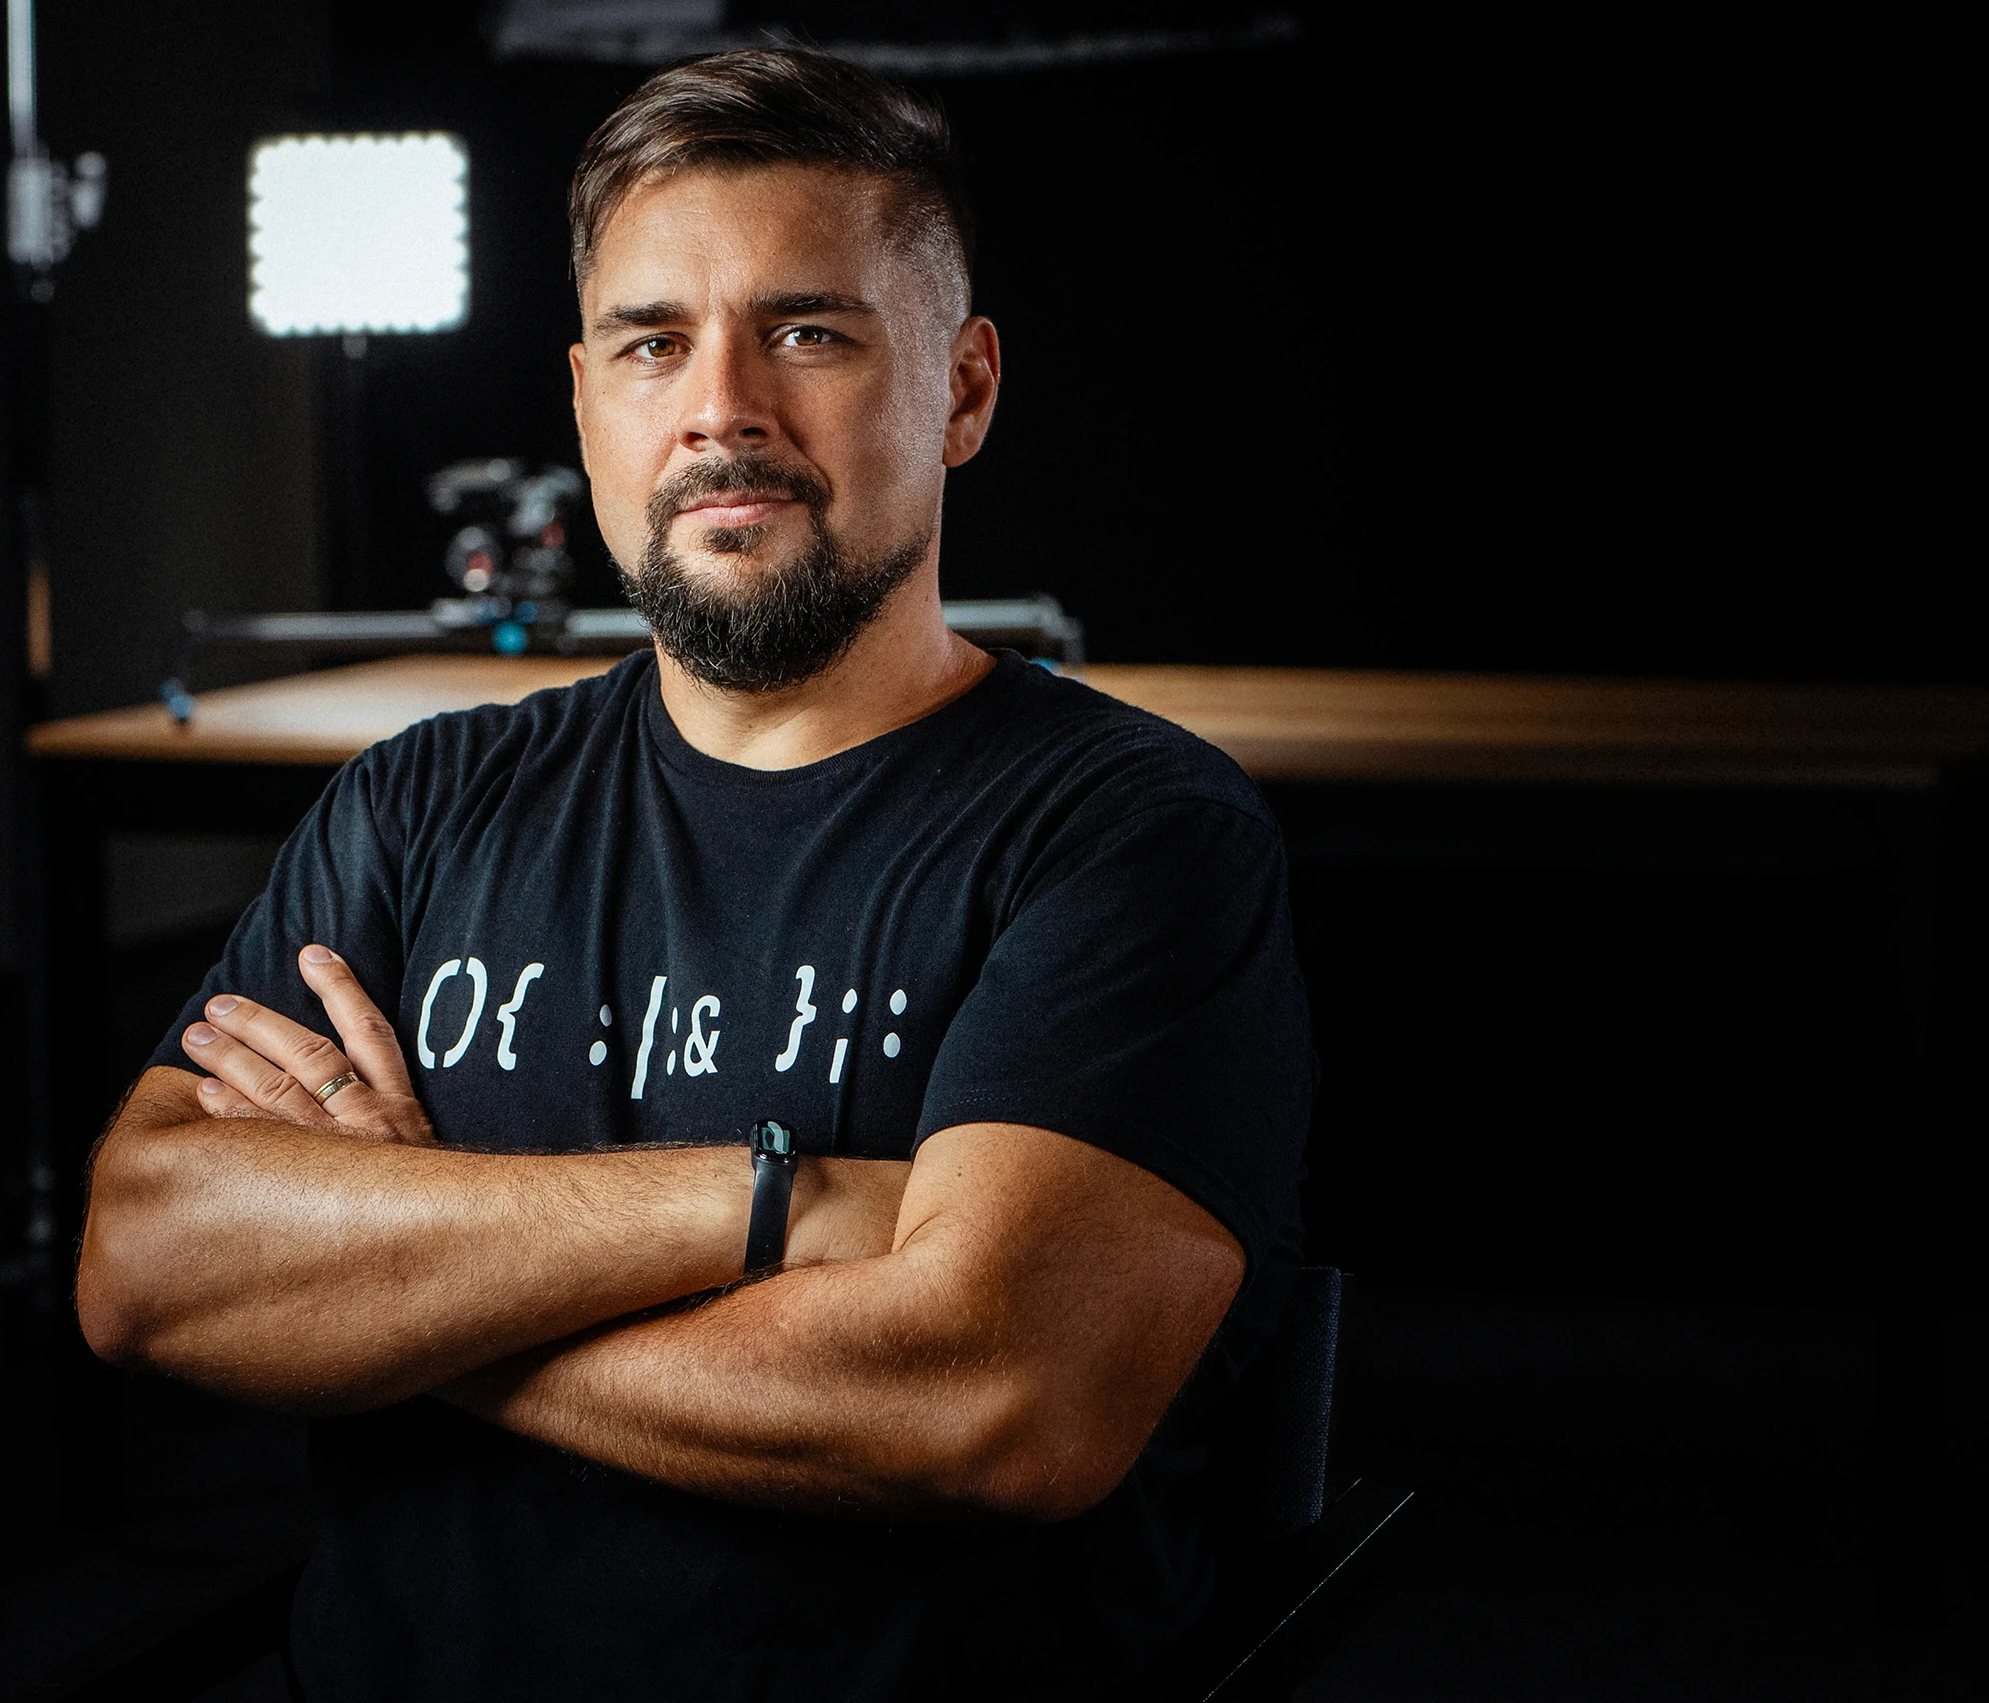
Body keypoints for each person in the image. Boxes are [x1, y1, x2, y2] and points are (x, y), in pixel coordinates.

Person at [77, 47, 1313, 1702]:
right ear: (586, 401)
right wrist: (777, 1204)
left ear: (963, 386)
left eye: (807, 331)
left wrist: (397, 1286)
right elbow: (145, 1262)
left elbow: (993, 1399)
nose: (721, 408)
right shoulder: (421, 805)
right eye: (656, 345)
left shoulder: (1133, 838)